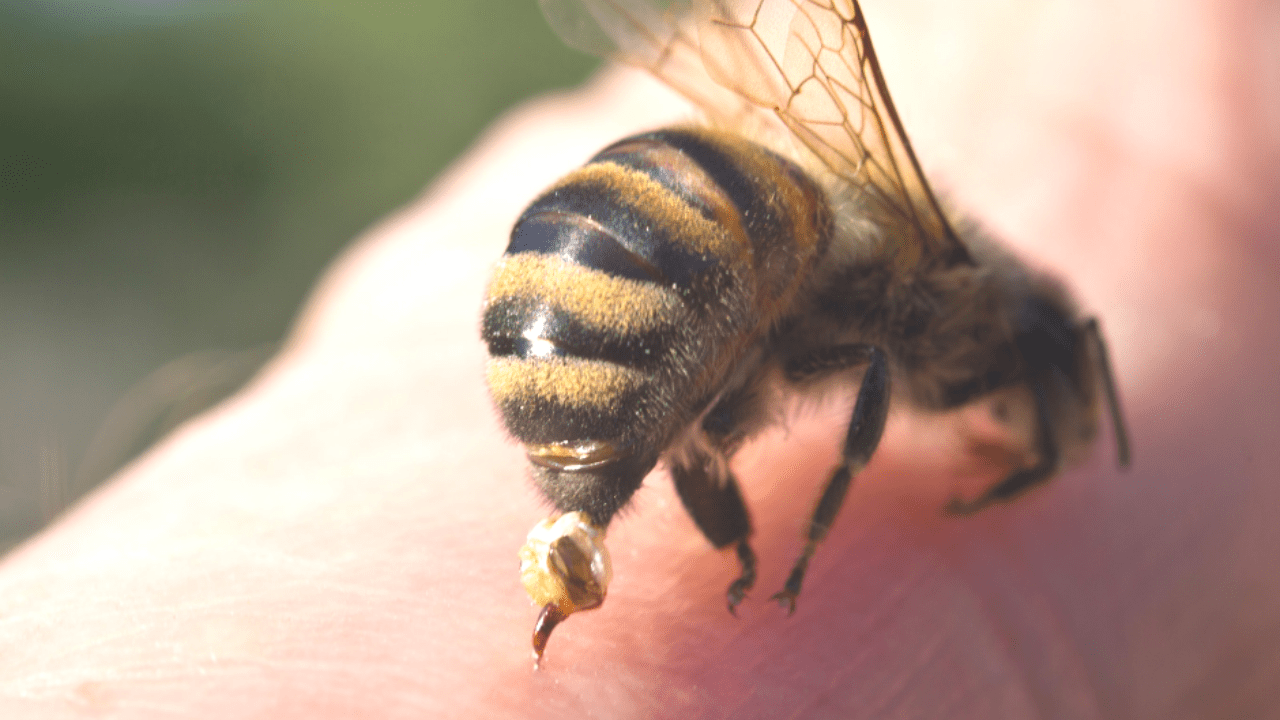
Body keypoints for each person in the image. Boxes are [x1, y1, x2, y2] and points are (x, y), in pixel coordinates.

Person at [0, 2, 1277, 716]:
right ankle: (630, 519)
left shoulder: (822, 271)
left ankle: (594, 517)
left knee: (718, 342)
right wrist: (815, 541)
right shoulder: (919, 291)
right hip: (668, 249)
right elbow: (852, 369)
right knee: (750, 334)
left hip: (600, 251)